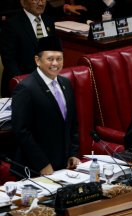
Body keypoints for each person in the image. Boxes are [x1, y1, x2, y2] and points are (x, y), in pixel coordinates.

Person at [11, 36, 80, 177]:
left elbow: (72, 123)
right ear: (38, 60)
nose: (55, 63)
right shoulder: (26, 88)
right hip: (34, 168)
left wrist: (72, 154)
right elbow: (21, 131)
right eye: (50, 59)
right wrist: (42, 164)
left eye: (59, 59)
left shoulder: (66, 83)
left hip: (62, 165)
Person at [0, 0, 55, 97]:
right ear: (23, 2)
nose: (41, 3)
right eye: (36, 0)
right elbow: (9, 61)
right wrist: (26, 84)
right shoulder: (12, 24)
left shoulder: (49, 21)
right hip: (22, 85)